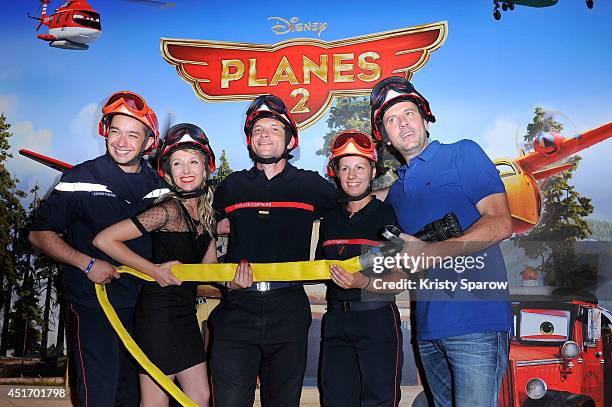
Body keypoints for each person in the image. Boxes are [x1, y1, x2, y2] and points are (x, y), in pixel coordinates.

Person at [370, 76, 514, 407]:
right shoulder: (396, 191)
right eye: (391, 120)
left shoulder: (463, 154)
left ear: (424, 118)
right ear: (386, 137)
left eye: (408, 113)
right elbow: (356, 201)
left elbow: (500, 221)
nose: (402, 123)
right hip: (428, 330)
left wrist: (429, 252)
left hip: (476, 322)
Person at [28, 91, 168, 406]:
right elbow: (39, 234)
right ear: (105, 131)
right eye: (115, 131)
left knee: (134, 395)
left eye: (133, 134)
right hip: (93, 305)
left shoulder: (159, 186)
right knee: (99, 394)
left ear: (148, 142)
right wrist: (87, 264)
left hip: (144, 310)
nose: (121, 141)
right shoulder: (80, 178)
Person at [209, 94, 339, 407]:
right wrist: (221, 280)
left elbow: (358, 205)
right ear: (249, 141)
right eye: (258, 130)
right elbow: (203, 232)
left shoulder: (310, 185)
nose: (265, 134)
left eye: (274, 129)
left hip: (288, 309)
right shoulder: (231, 186)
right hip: (237, 307)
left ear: (291, 141)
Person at [93, 123, 217, 406]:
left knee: (200, 397)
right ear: (168, 172)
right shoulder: (167, 210)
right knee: (155, 402)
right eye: (177, 163)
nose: (186, 170)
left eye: (193, 162)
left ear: (206, 167)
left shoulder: (208, 216)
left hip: (185, 316)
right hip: (158, 316)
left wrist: (240, 281)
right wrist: (153, 270)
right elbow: (105, 240)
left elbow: (208, 273)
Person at [317, 130, 404, 407]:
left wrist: (362, 283)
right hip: (335, 323)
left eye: (359, 167)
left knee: (379, 401)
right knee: (335, 401)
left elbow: (400, 280)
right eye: (345, 168)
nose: (352, 175)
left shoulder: (388, 215)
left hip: (376, 319)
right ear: (336, 173)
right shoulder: (329, 220)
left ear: (372, 171)